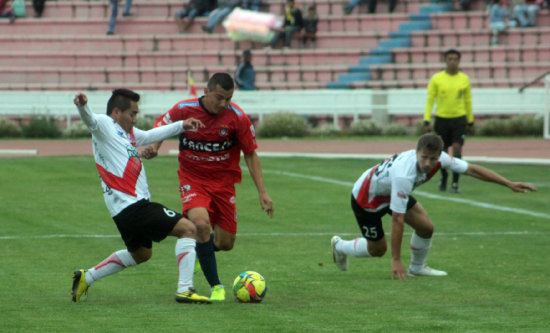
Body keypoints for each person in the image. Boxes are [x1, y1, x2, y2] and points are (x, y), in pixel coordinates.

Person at [71, 89, 211, 304]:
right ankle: (185, 289)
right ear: (116, 112)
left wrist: (182, 125)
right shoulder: (105, 125)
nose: (135, 118)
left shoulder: (128, 134)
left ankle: (87, 276)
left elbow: (149, 135)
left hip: (124, 212)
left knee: (141, 254)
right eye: (132, 113)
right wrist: (82, 106)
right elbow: (90, 120)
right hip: (134, 207)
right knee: (189, 229)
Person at [142, 73, 274, 302]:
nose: (224, 103)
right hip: (193, 179)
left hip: (224, 184)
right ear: (207, 91)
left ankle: (198, 253)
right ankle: (216, 286)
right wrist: (154, 146)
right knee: (201, 224)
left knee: (225, 242)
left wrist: (262, 191)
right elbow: (162, 125)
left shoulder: (238, 118)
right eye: (220, 97)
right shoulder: (184, 109)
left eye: (229, 98)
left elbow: (251, 154)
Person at [331, 133, 536, 280]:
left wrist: (508, 183)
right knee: (378, 250)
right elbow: (398, 219)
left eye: (433, 158)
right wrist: (395, 259)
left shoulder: (441, 160)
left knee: (426, 227)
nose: (428, 163)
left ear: (440, 155)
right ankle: (339, 246)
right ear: (416, 152)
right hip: (368, 197)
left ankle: (417, 268)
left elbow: (472, 170)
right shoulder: (405, 174)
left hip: (390, 192)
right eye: (424, 158)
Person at [423, 49, 473, 193]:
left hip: (459, 119)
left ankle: (455, 183)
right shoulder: (437, 79)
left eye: (455, 59)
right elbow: (430, 100)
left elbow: (468, 100)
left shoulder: (464, 79)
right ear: (445, 61)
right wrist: (427, 119)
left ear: (459, 61)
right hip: (442, 119)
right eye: (449, 59)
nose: (452, 62)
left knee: (457, 149)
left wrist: (470, 120)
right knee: (442, 152)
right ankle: (444, 177)